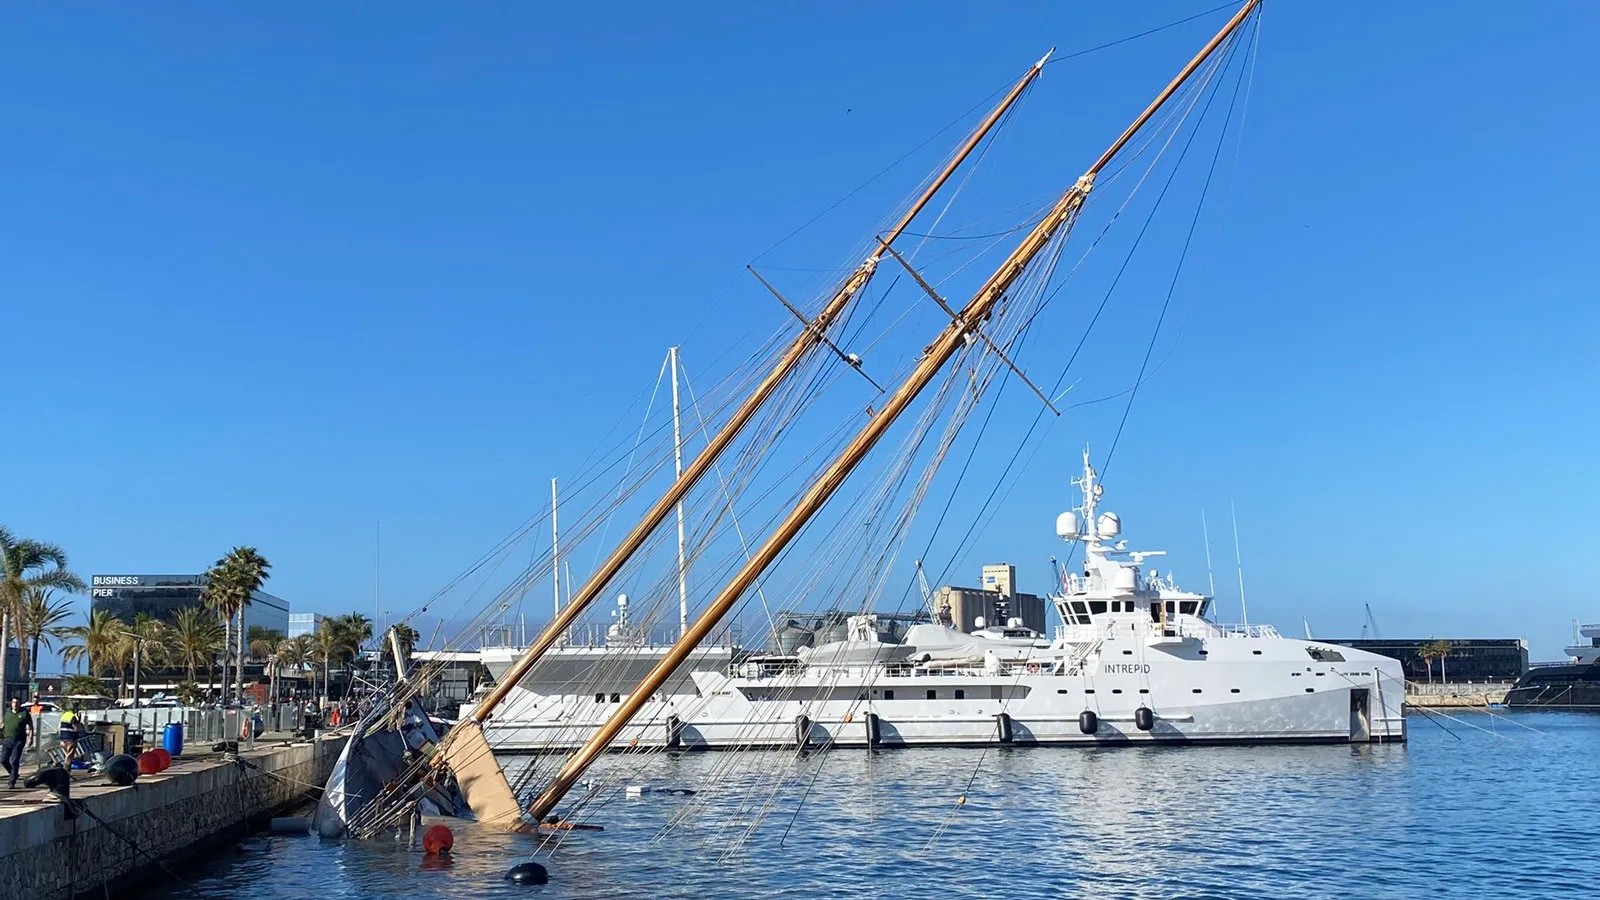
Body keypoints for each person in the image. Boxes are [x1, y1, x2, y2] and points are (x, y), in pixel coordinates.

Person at [2, 697, 33, 789]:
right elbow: (3, 724)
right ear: (11, 704)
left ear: (20, 704)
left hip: (19, 740)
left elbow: (30, 726)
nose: (15, 704)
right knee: (3, 759)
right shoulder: (7, 713)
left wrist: (30, 738)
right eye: (13, 702)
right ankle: (13, 773)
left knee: (14, 760)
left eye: (17, 703)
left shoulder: (24, 713)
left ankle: (12, 781)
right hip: (7, 739)